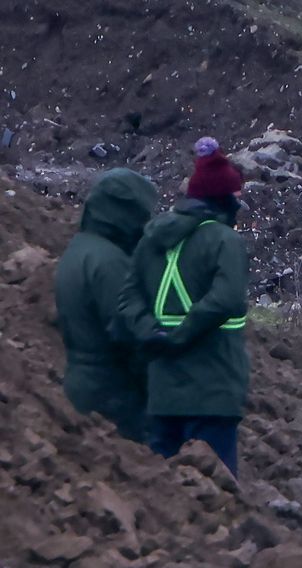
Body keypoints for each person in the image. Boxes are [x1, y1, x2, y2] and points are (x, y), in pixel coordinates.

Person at [118, 136, 250, 477]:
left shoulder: (151, 238)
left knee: (166, 502)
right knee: (217, 499)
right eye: (237, 199)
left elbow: (128, 298)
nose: (241, 206)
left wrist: (153, 333)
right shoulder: (226, 241)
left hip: (162, 394)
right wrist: (182, 335)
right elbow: (227, 299)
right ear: (222, 199)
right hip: (214, 393)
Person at [54, 168, 158, 441]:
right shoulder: (110, 263)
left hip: (81, 385)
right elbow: (131, 335)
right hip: (114, 398)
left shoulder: (79, 249)